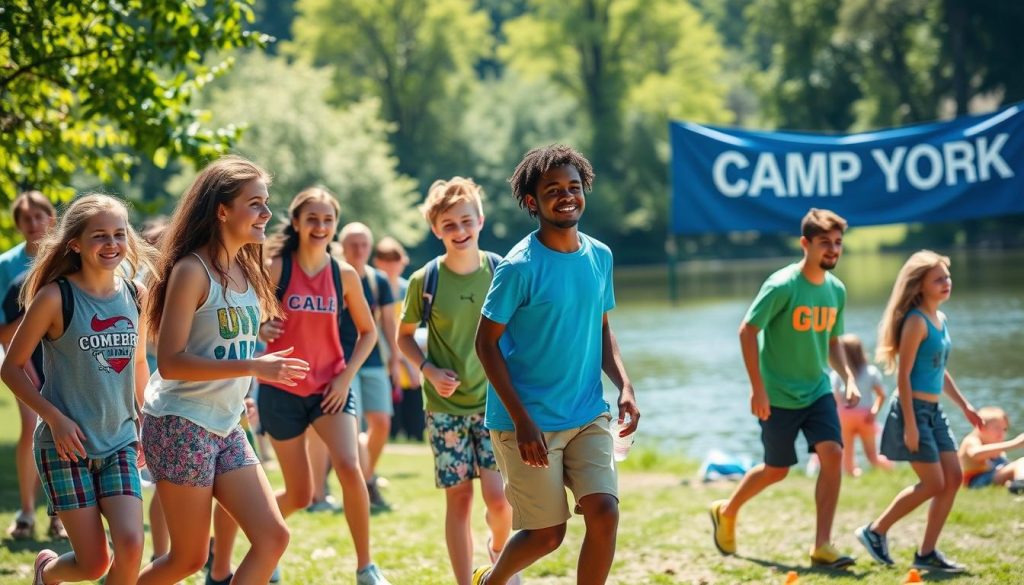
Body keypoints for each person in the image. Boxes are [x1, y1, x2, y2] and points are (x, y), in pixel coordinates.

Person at [474, 145, 639, 585]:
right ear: (532, 202)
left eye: (573, 186)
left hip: (587, 412)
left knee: (604, 513)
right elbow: (485, 345)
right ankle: (491, 581)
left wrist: (624, 385)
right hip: (526, 423)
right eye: (553, 190)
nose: (567, 196)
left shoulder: (599, 256)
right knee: (548, 534)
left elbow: (601, 328)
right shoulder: (518, 268)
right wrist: (522, 421)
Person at [210, 186, 391, 585]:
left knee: (349, 466)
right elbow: (242, 317)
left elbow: (368, 332)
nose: (320, 227)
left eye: (328, 220)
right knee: (300, 494)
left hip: (331, 388)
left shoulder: (343, 274)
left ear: (335, 226)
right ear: (296, 223)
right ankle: (251, 549)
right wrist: (260, 327)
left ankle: (366, 567)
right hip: (282, 390)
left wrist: (345, 378)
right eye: (312, 219)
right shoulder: (276, 267)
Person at [138, 155, 305, 585]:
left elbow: (225, 338)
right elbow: (172, 362)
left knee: (272, 537)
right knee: (188, 560)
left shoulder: (248, 268)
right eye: (255, 203)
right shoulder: (192, 270)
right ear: (222, 209)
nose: (267, 213)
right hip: (181, 424)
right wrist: (253, 366)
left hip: (226, 423)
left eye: (267, 202)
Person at [1, 194, 154, 585]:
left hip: (119, 439)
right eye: (100, 235)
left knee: (132, 544)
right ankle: (47, 572)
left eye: (119, 234)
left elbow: (138, 363)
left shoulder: (136, 295)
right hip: (65, 447)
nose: (112, 244)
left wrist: (145, 420)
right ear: (75, 244)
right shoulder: (56, 296)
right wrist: (54, 419)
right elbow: (11, 368)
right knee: (93, 565)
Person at [710, 208, 860, 568]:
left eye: (838, 243)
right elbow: (748, 331)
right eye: (825, 243)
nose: (833, 250)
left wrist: (849, 376)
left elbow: (834, 342)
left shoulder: (836, 290)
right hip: (777, 395)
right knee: (777, 469)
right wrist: (757, 389)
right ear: (805, 244)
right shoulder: (782, 285)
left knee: (833, 455)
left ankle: (822, 545)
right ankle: (727, 511)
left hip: (817, 390)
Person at [397, 177, 515, 585]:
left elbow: (520, 334)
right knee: (459, 499)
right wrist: (427, 369)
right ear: (436, 230)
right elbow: (403, 337)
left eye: (466, 221)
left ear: (480, 220)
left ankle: (499, 554)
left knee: (499, 501)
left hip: (495, 406)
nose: (460, 231)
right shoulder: (423, 281)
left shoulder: (502, 272)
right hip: (444, 410)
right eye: (449, 225)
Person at [855, 250, 982, 573]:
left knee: (953, 478)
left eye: (947, 277)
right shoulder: (915, 321)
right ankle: (875, 530)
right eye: (938, 279)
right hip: (911, 409)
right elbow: (904, 375)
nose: (946, 283)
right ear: (920, 285)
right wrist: (910, 425)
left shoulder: (940, 319)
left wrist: (965, 405)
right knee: (933, 483)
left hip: (934, 411)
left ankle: (926, 553)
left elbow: (939, 370)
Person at [0, 190, 62, 541]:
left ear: (51, 218)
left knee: (63, 431)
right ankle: (26, 511)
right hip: (18, 357)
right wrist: (20, 358)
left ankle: (60, 513)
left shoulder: (66, 259)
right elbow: (5, 327)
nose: (35, 224)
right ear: (18, 225)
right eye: (27, 219)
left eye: (40, 216)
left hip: (60, 357)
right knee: (31, 426)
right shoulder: (8, 267)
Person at [335, 221, 399, 510]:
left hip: (373, 360)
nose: (359, 249)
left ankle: (367, 477)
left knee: (382, 422)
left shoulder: (379, 281)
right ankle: (366, 485)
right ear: (343, 247)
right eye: (353, 244)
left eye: (364, 244)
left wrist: (396, 363)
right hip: (341, 361)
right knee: (353, 423)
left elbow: (388, 324)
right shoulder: (333, 276)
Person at [374, 236, 424, 442]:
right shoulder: (373, 288)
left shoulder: (408, 289)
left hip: (408, 357)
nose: (390, 265)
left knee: (414, 413)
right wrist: (398, 359)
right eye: (385, 259)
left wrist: (409, 362)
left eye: (395, 259)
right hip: (383, 357)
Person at [830, 334, 892, 476]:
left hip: (844, 417)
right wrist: (874, 411)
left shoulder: (837, 374)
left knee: (847, 456)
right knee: (872, 456)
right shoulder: (871, 372)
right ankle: (890, 469)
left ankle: (854, 475)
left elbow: (835, 398)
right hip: (866, 416)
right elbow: (882, 395)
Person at [959, 406, 1024, 493]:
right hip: (976, 482)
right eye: (997, 428)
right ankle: (1019, 486)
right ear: (980, 427)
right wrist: (1014, 443)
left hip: (992, 477)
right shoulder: (972, 440)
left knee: (1017, 466)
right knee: (1021, 462)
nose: (1002, 433)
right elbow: (975, 453)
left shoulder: (993, 444)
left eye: (1004, 429)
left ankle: (1016, 484)